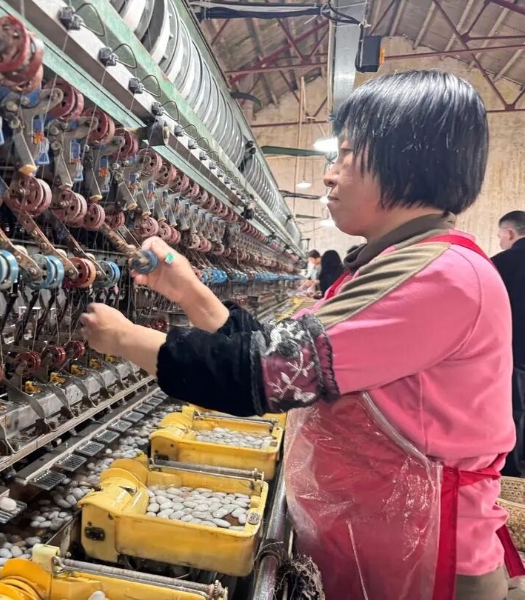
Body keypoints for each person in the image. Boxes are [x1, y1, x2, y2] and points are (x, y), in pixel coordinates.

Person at [80, 70, 523, 600]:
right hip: (384, 547)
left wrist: (123, 338)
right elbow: (287, 352)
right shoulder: (398, 264)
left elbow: (265, 374)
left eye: (346, 155)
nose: (330, 175)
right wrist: (189, 291)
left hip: (426, 568)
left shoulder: (440, 276)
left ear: (405, 160)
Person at [494, 210, 525, 477]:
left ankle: (513, 473)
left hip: (512, 351)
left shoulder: (498, 264)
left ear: (510, 233)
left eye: (500, 235)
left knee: (514, 409)